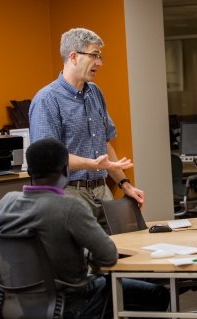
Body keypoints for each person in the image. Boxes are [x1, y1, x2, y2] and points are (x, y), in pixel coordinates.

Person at [0, 139, 169, 319]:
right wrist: (84, 252)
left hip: (20, 302)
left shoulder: (5, 203)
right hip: (70, 305)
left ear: (30, 170)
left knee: (95, 287)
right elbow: (108, 256)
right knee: (156, 295)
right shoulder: (69, 207)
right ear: (65, 169)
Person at [29, 27, 144, 232]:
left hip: (101, 191)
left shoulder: (95, 93)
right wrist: (91, 164)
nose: (99, 63)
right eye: (94, 55)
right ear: (73, 56)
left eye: (100, 56)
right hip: (69, 192)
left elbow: (105, 143)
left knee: (121, 252)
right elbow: (48, 161)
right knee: (81, 260)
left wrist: (125, 184)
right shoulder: (47, 100)